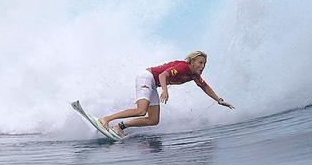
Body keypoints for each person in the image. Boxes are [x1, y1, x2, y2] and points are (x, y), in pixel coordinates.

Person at [99, 51, 235, 137]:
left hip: (153, 83)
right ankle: (106, 119)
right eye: (200, 62)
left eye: (204, 64)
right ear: (192, 62)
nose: (203, 66)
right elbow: (163, 75)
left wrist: (219, 100)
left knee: (153, 120)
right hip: (147, 77)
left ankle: (120, 126)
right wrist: (165, 91)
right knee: (141, 111)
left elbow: (205, 87)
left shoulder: (194, 75)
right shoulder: (183, 67)